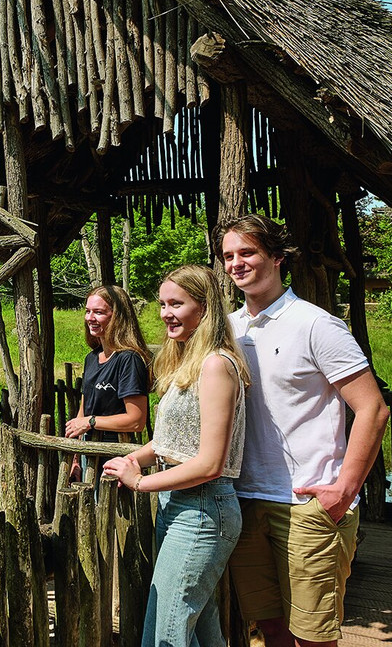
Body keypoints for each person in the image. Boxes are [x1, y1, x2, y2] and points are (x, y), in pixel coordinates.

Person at [215, 214, 389, 647]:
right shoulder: (228, 330)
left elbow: (373, 409)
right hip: (245, 501)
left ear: (277, 257)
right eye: (228, 255)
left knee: (313, 638)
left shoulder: (316, 324)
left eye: (247, 252)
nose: (236, 263)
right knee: (268, 629)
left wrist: (343, 491)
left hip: (306, 505)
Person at [103, 264, 249, 647]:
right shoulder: (189, 362)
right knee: (198, 627)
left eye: (176, 304)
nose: (166, 313)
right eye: (162, 304)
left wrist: (140, 482)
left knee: (165, 633)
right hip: (180, 506)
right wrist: (135, 459)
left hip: (203, 509)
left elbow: (209, 462)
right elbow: (168, 442)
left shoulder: (217, 365)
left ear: (204, 307)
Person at [64, 285, 151, 449]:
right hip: (87, 451)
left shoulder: (129, 360)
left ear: (117, 317)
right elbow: (82, 413)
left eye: (98, 312)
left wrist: (91, 422)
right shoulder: (91, 358)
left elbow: (136, 421)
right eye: (87, 311)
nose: (90, 318)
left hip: (114, 452)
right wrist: (75, 458)